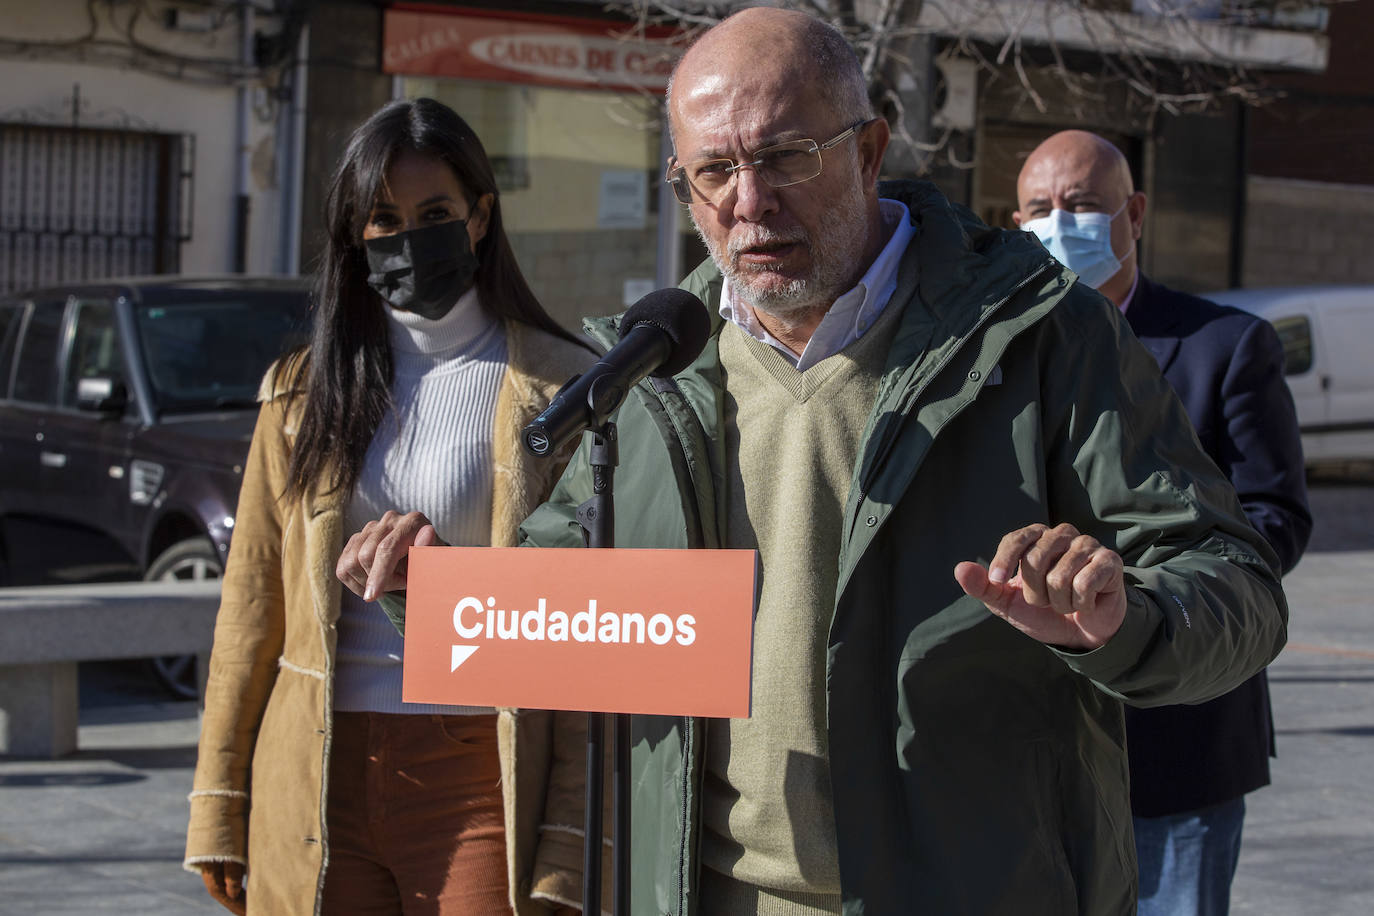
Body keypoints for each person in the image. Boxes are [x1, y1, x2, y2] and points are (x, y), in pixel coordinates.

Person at [339, 10, 1288, 915]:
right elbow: (569, 610)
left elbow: (1237, 585)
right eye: (714, 171)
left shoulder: (1041, 336)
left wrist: (1122, 619)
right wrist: (437, 593)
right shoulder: (655, 367)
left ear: (869, 152)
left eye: (785, 158)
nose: (749, 204)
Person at [183, 98, 594, 915]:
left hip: (483, 766)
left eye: (434, 213)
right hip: (316, 765)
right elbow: (252, 603)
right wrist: (219, 802)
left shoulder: (566, 387)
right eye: (383, 219)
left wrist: (573, 840)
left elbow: (585, 626)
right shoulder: (299, 390)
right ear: (354, 236)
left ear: (480, 218)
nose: (409, 237)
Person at [1015, 130, 1312, 916]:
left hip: (1179, 745)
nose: (1059, 222)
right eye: (1039, 209)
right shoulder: (1002, 353)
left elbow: (1275, 516)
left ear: (1134, 213)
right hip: (1033, 746)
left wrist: (1143, 593)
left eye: (1079, 205)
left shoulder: (1225, 345)